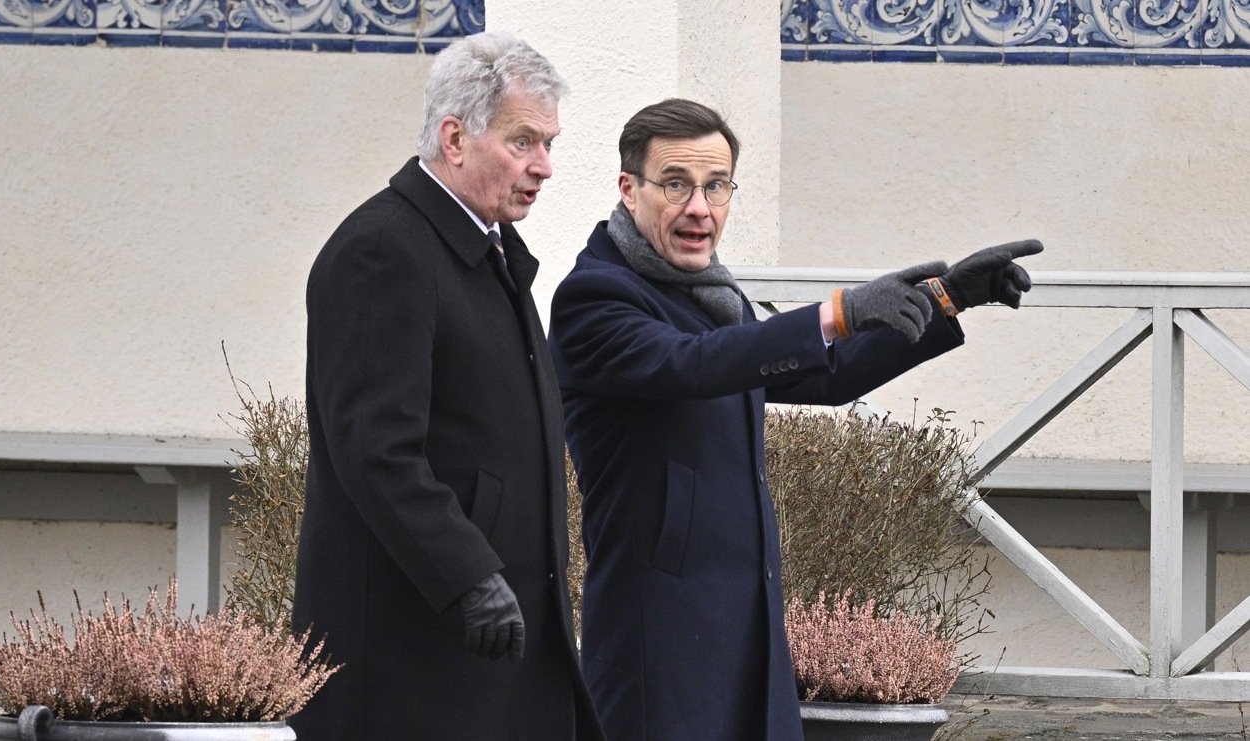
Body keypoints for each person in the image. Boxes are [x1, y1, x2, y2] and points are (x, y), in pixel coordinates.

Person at [547, 97, 1042, 741]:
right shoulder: (595, 297)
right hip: (658, 638)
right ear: (628, 189)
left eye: (716, 185)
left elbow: (823, 376)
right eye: (675, 184)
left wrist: (947, 299)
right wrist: (837, 312)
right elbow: (693, 365)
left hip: (749, 621)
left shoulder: (709, 295)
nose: (699, 207)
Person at [291, 31, 604, 741]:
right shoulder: (383, 248)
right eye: (523, 141)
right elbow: (376, 450)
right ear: (455, 138)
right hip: (415, 659)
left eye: (548, 143)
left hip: (486, 652)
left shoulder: (486, 246)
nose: (544, 166)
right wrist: (468, 575)